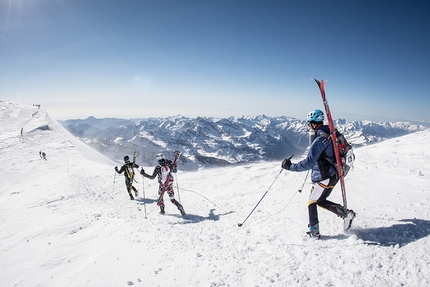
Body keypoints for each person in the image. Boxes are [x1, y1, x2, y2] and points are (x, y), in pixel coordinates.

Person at [281, 109, 355, 239]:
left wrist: (290, 166)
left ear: (312, 124)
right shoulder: (331, 133)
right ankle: (346, 214)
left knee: (312, 201)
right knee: (320, 201)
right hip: (334, 175)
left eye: (308, 123)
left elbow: (308, 163)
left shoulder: (319, 140)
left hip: (324, 176)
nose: (308, 126)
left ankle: (314, 231)